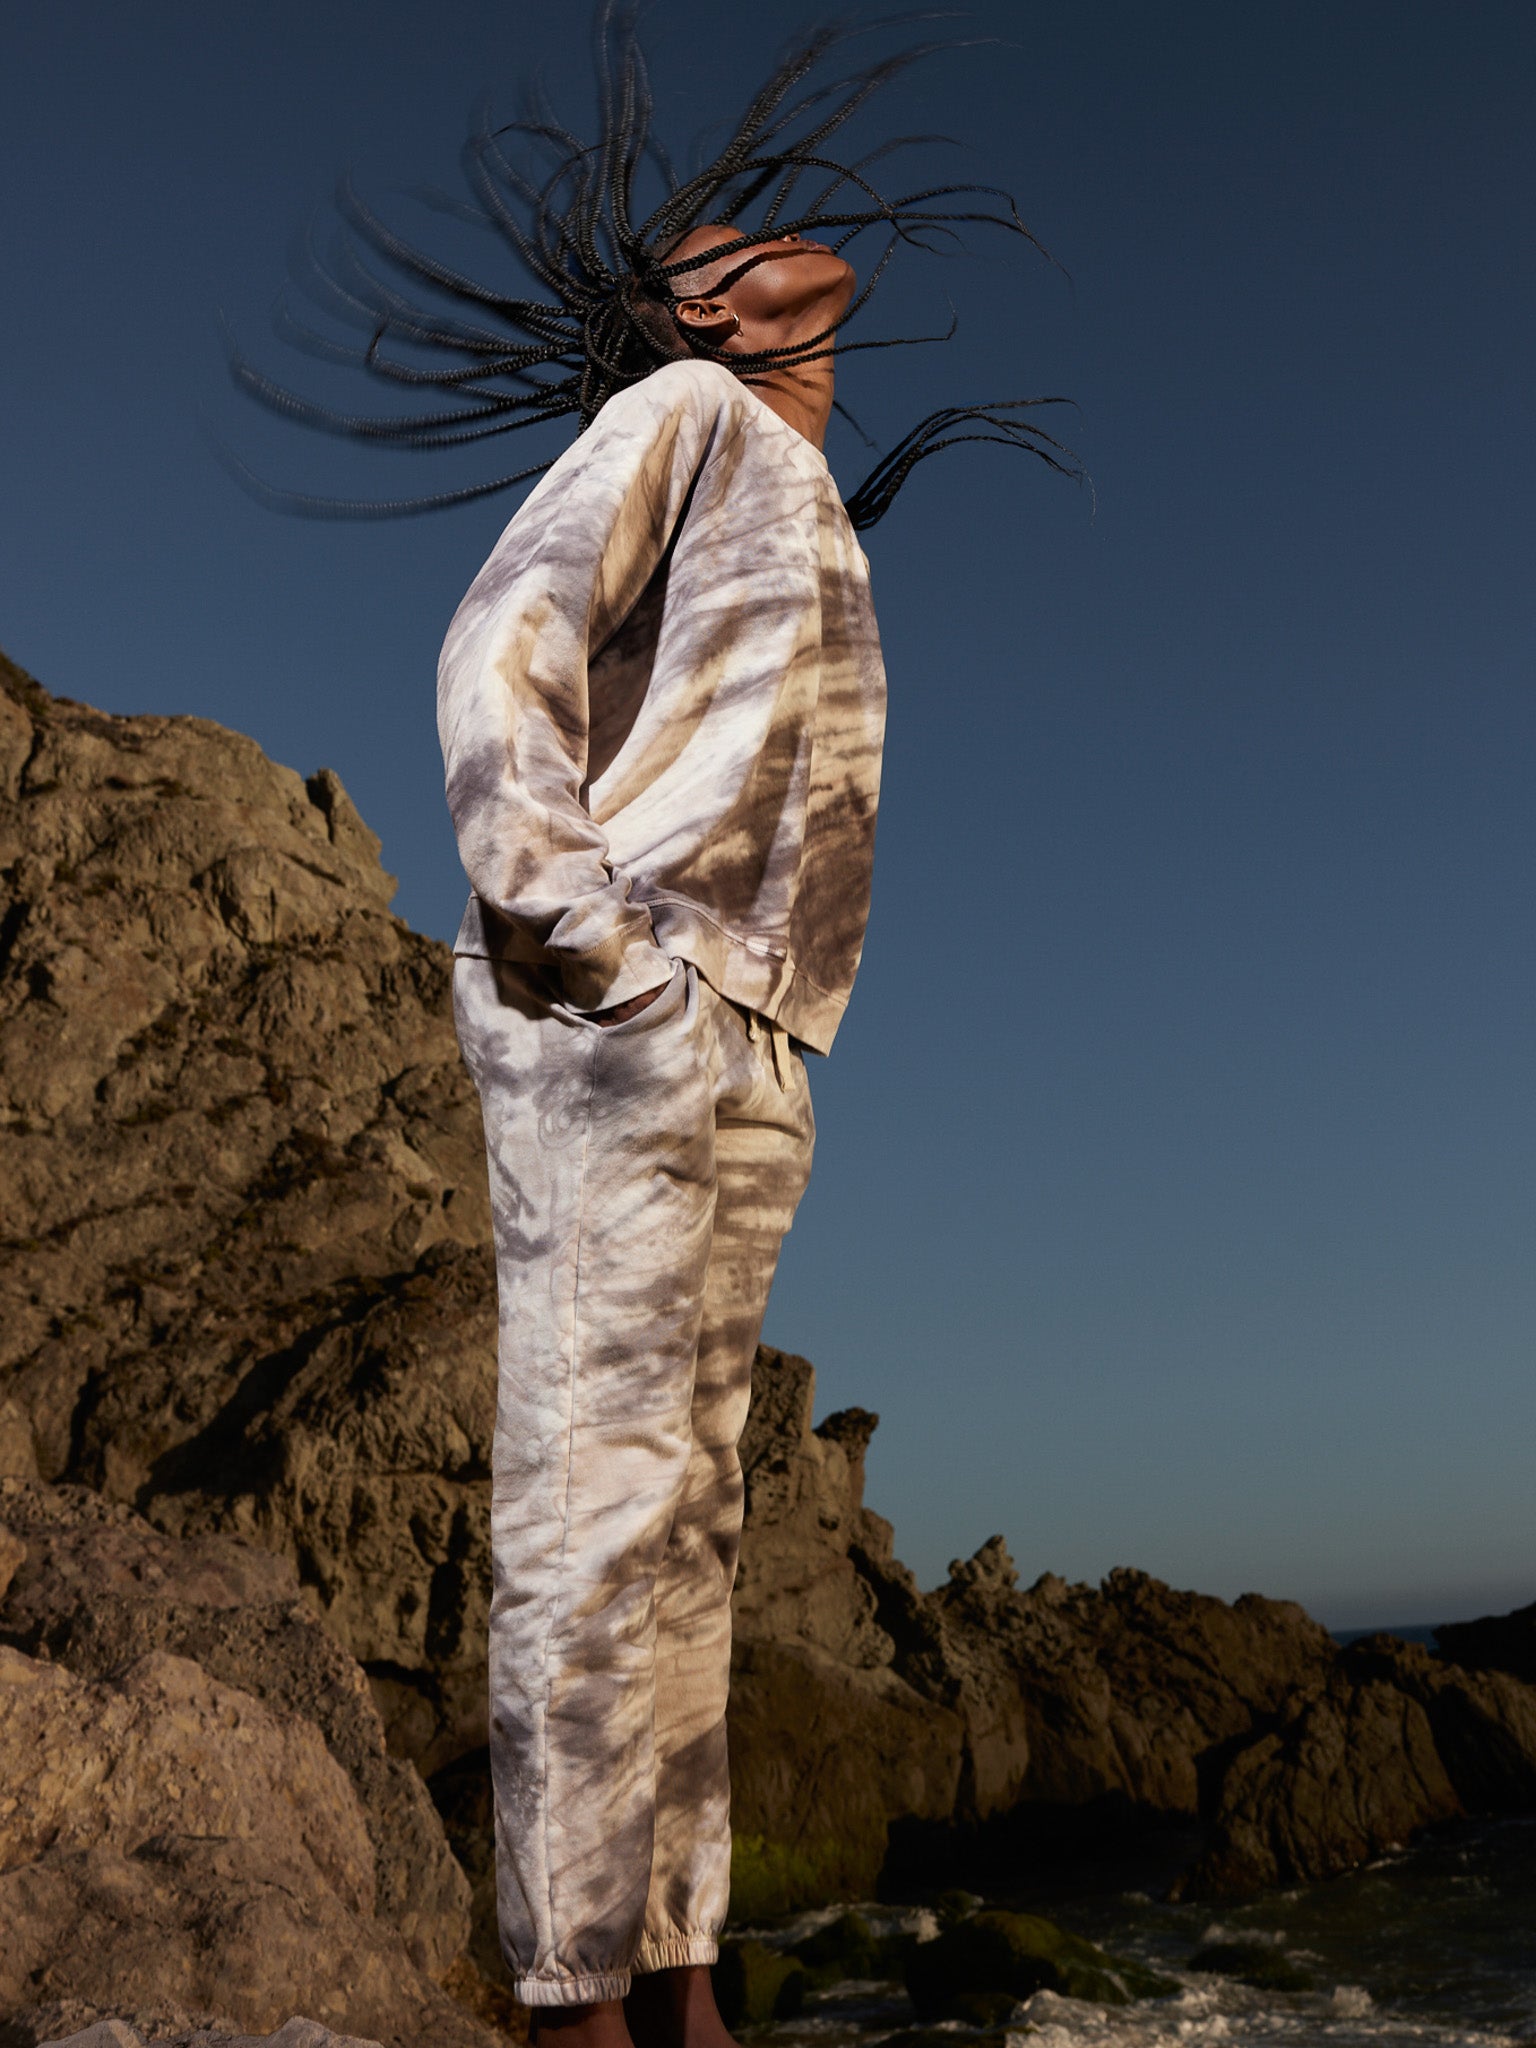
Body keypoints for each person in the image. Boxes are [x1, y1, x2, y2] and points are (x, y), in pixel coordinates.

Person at [235, 17, 1074, 2046]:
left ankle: (680, 1973)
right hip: (633, 1002)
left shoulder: (795, 491)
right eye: (715, 242)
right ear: (691, 313)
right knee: (596, 1508)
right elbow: (495, 644)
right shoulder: (682, 413)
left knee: (690, 1520)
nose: (758, 231)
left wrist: (735, 1008)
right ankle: (568, 2002)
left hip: (758, 1037)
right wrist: (585, 937)